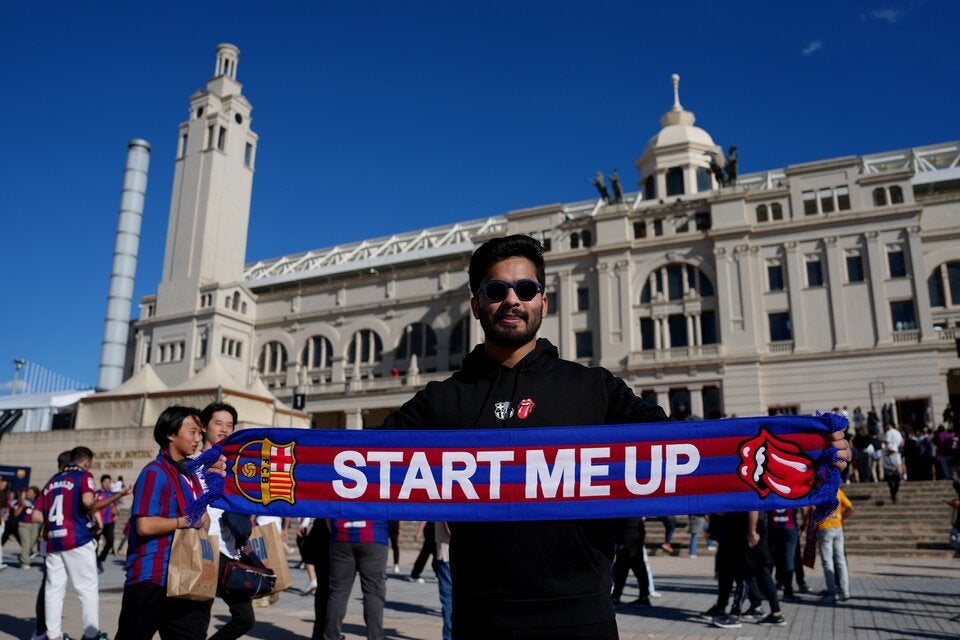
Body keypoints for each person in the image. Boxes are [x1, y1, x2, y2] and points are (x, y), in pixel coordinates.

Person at [382, 234, 849, 638]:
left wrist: (813, 454)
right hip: (480, 619)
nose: (512, 299)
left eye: (525, 288)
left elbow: (688, 449)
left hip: (581, 617)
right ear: (476, 303)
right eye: (497, 289)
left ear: (543, 301)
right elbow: (351, 463)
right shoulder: (440, 401)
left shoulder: (594, 387)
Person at [115, 406, 213, 640]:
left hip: (183, 579)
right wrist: (186, 521)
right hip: (151, 579)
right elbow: (145, 525)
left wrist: (202, 520)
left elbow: (202, 521)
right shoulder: (154, 472)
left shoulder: (190, 477)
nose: (197, 439)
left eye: (200, 433)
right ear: (170, 434)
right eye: (192, 432)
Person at [31, 446, 109, 640]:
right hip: (77, 537)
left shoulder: (51, 482)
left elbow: (36, 515)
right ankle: (91, 634)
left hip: (54, 540)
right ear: (86, 462)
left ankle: (53, 635)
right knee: (87, 589)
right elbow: (88, 501)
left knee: (53, 590)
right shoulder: (84, 476)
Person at [200, 401, 258, 640]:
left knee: (244, 619)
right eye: (218, 423)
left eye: (229, 425)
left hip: (229, 549)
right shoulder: (193, 463)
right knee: (198, 615)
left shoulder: (234, 465)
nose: (224, 429)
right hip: (203, 547)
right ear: (204, 427)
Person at [323, 518, 388, 640]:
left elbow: (327, 511)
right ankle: (375, 637)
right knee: (374, 593)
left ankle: (331, 636)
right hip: (374, 535)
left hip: (342, 535)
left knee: (338, 592)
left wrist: (335, 530)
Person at [816, 488, 853, 604]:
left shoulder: (819, 492)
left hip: (825, 528)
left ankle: (832, 592)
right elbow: (850, 508)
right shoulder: (838, 491)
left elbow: (812, 510)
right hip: (838, 527)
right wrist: (841, 518)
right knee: (840, 560)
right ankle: (845, 591)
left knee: (828, 562)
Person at [434, 522, 453, 640]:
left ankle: (449, 636)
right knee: (448, 600)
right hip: (446, 552)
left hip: (446, 553)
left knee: (448, 599)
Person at [94, 475, 116, 573]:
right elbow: (93, 507)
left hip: (108, 522)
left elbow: (114, 507)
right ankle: (94, 563)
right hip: (98, 523)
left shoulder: (112, 494)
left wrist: (115, 514)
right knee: (95, 544)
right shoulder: (97, 494)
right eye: (106, 482)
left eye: (109, 482)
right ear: (102, 483)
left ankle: (100, 559)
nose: (108, 484)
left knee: (110, 541)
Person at [16, 486, 41, 569]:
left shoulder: (38, 502)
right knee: (26, 544)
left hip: (34, 524)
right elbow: (16, 514)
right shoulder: (22, 502)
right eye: (28, 492)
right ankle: (25, 563)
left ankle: (23, 557)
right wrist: (22, 507)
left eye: (30, 492)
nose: (28, 493)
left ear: (35, 494)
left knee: (31, 544)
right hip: (24, 524)